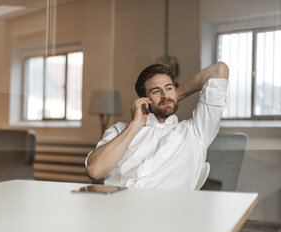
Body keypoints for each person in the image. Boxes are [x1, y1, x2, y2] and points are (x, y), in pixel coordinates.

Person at [85, 62, 229, 190]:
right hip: (113, 210)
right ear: (144, 100)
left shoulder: (195, 132)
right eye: (156, 91)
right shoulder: (119, 130)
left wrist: (175, 96)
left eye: (168, 88)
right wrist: (135, 125)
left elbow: (219, 70)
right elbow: (95, 171)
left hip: (163, 215)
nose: (165, 95)